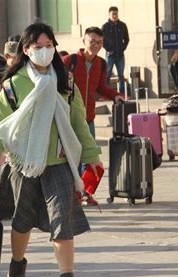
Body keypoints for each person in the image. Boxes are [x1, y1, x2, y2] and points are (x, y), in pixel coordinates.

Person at [0, 23, 102, 277]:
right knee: (23, 222)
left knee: (63, 221)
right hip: (24, 164)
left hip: (58, 162)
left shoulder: (66, 81)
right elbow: (0, 128)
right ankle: (17, 265)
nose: (45, 51)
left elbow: (77, 123)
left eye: (50, 46)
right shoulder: (13, 85)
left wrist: (91, 155)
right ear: (26, 50)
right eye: (38, 46)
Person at [62, 26, 124, 205]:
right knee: (69, 158)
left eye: (100, 42)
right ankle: (71, 193)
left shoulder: (102, 64)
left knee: (89, 157)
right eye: (92, 41)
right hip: (68, 118)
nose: (96, 45)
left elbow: (101, 87)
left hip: (88, 118)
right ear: (84, 41)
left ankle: (85, 193)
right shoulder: (70, 60)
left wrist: (115, 95)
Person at [102, 6, 129, 94]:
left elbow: (127, 38)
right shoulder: (105, 26)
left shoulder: (122, 25)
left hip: (120, 55)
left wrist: (123, 48)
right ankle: (105, 93)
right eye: (113, 14)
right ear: (109, 15)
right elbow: (101, 40)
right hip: (110, 55)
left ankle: (121, 93)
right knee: (107, 74)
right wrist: (108, 49)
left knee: (121, 75)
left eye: (116, 14)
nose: (115, 16)